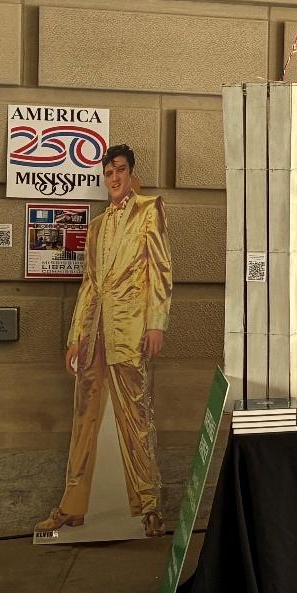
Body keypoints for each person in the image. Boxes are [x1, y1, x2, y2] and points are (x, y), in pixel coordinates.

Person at [36, 145, 173, 537]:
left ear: (131, 173)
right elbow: (89, 286)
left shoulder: (150, 210)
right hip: (94, 330)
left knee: (136, 416)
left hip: (130, 330)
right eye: (108, 172)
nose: (114, 178)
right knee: (83, 417)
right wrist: (75, 337)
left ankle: (149, 506)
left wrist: (156, 323)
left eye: (120, 170)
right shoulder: (96, 226)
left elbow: (161, 270)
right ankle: (72, 506)